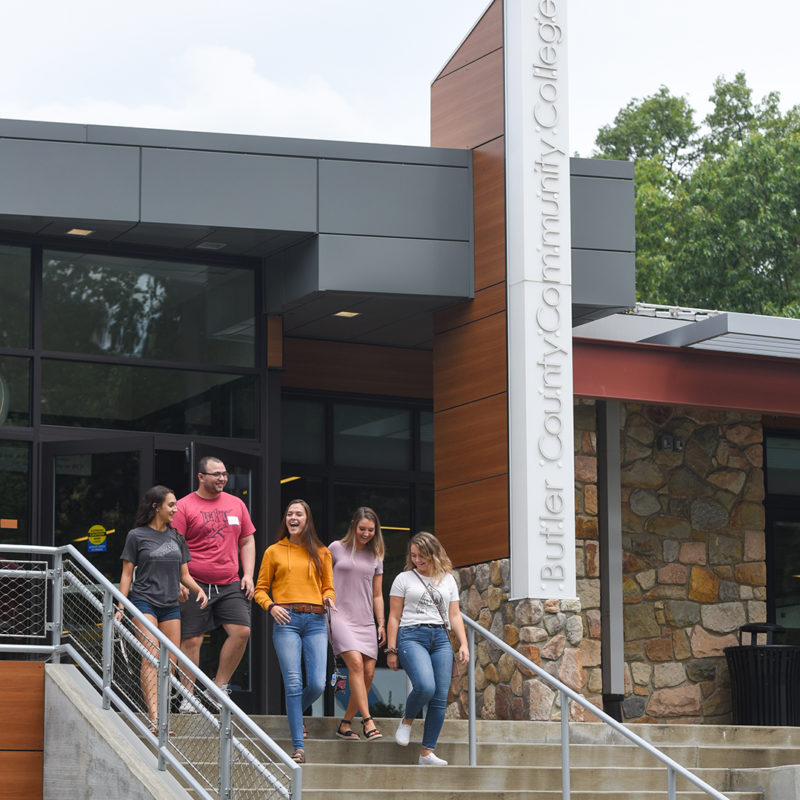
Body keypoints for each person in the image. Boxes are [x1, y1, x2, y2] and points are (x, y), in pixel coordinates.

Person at [117, 485, 208, 733]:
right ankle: (155, 720)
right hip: (144, 601)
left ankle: (163, 717)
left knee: (170, 661)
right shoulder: (136, 536)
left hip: (170, 606)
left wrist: (198, 589)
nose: (175, 509)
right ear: (156, 506)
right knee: (151, 658)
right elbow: (126, 575)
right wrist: (120, 605)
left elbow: (184, 574)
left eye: (176, 504)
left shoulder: (177, 537)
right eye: (171, 505)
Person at [254, 499, 335, 764]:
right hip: (286, 619)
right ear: (285, 520)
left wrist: (328, 598)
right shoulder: (273, 551)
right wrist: (271, 607)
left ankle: (295, 714)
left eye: (299, 514)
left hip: (315, 620)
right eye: (289, 513)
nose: (293, 517)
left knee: (317, 684)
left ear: (307, 519)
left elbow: (328, 587)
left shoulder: (322, 552)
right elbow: (260, 590)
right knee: (293, 683)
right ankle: (299, 747)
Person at [172, 456, 256, 709]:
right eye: (215, 474)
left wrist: (248, 574)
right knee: (192, 640)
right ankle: (186, 695)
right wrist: (179, 579)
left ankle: (218, 688)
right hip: (195, 582)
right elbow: (175, 546)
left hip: (230, 581)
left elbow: (247, 540)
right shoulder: (185, 506)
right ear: (200, 477)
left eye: (224, 473)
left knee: (241, 631)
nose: (222, 478)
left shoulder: (236, 504)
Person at [386, 531, 469, 766]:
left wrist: (463, 643)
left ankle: (426, 753)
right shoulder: (403, 579)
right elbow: (394, 616)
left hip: (441, 638)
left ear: (434, 554)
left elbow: (454, 615)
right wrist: (391, 650)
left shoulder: (448, 579)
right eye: (413, 556)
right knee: (425, 686)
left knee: (440, 697)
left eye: (422, 556)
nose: (417, 560)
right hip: (412, 635)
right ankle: (407, 720)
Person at [329, 507, 385, 741]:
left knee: (369, 673)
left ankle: (345, 723)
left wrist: (380, 623)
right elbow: (322, 579)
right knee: (355, 664)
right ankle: (368, 721)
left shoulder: (376, 555)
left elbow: (377, 594)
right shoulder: (335, 548)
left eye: (371, 530)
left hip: (365, 619)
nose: (366, 533)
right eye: (362, 529)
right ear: (353, 525)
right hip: (338, 613)